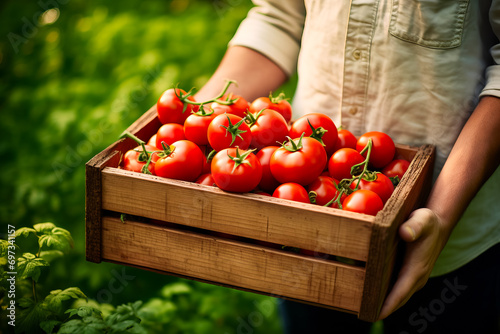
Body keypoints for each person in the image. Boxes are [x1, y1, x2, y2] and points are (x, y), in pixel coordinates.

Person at [195, 1, 500, 333]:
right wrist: (198, 120)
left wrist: (442, 214)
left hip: (453, 228)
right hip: (303, 227)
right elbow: (280, 16)